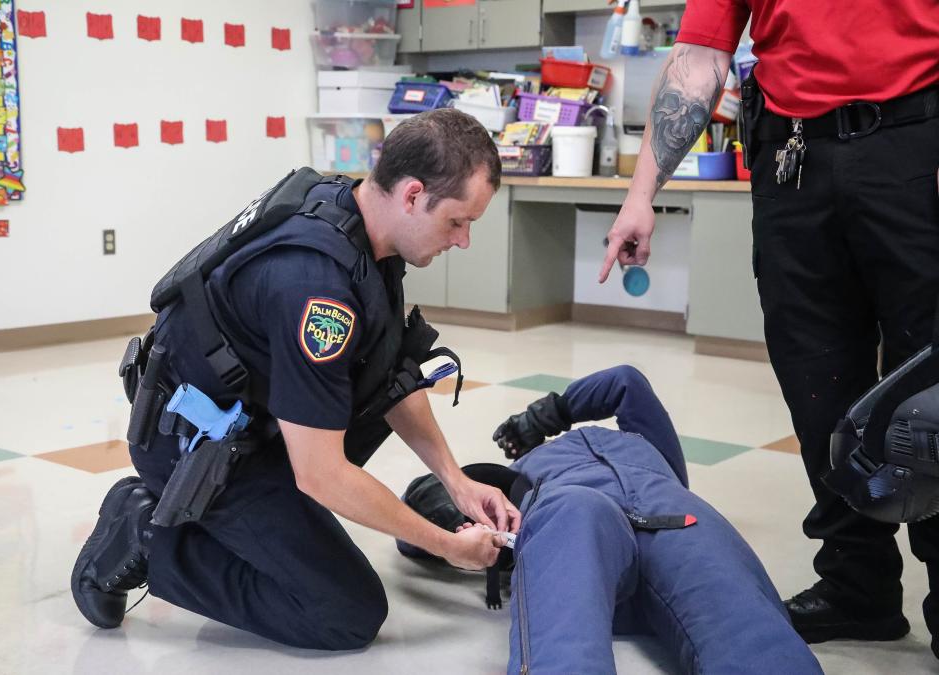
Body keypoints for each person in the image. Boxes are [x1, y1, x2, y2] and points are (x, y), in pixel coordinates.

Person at [70, 108, 521, 650]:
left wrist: (457, 481)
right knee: (345, 611)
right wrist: (445, 545)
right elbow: (321, 475)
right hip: (195, 450)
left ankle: (237, 519)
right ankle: (143, 531)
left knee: (342, 449)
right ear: (411, 194)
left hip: (251, 427)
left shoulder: (358, 223)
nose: (464, 240)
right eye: (457, 221)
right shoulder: (316, 289)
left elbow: (388, 376)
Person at [598, 0, 939, 652]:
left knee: (929, 385)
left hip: (915, 145)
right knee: (817, 376)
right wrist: (642, 193)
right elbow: (699, 58)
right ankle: (857, 584)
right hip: (792, 156)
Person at [398, 365, 823, 674]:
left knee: (752, 635)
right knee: (573, 514)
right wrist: (474, 526)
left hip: (673, 517)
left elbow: (626, 383)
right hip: (576, 516)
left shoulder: (660, 460)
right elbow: (417, 501)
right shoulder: (511, 485)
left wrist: (545, 416)